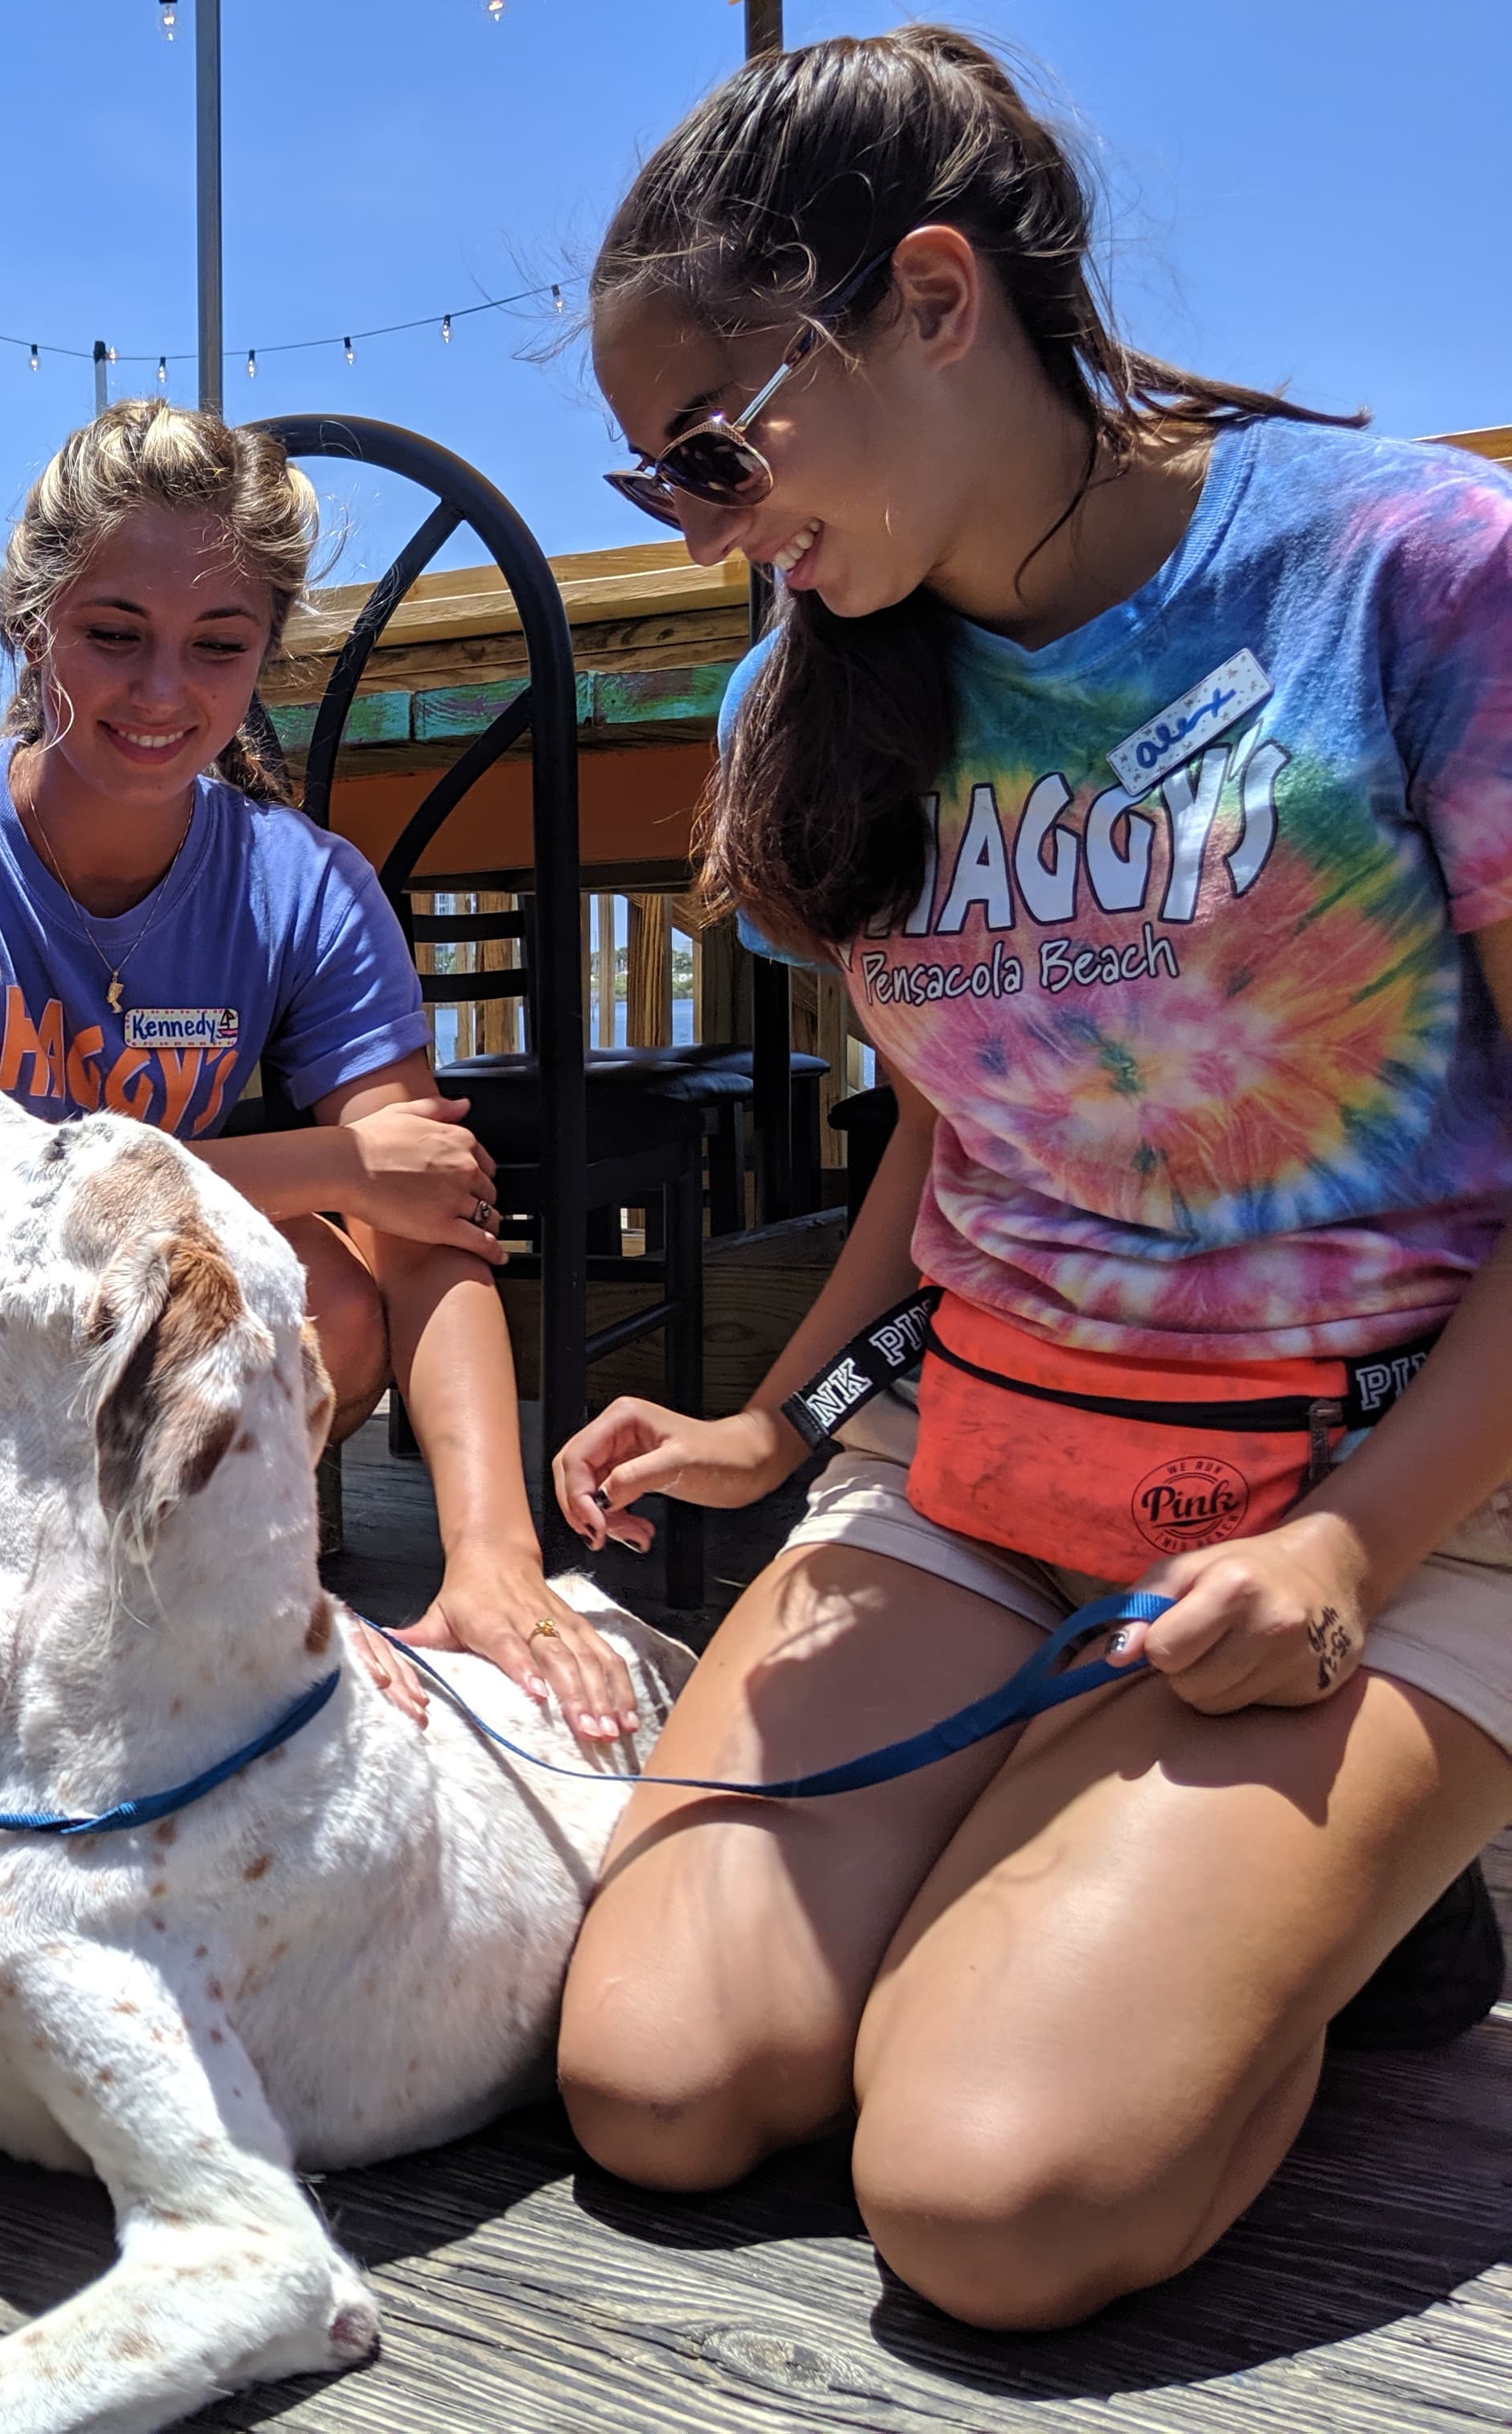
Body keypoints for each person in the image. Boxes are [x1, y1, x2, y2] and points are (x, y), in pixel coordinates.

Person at [549, 26, 1512, 2330]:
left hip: (1379, 1485)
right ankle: (1203, 1908)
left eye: (713, 448)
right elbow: (967, 1125)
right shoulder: (818, 670)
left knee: (988, 2199)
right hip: (985, 1461)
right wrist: (782, 1416)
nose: (700, 527)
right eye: (653, 475)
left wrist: (1353, 1553)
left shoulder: (1410, 567)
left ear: (940, 300)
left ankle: (1316, 1911)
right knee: (664, 2088)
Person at [0, 398, 640, 1745]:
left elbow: (432, 1226)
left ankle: (132, 1601)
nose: (161, 689)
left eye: (217, 645)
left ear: (263, 659)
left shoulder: (301, 884)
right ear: (30, 623)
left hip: (134, 1396)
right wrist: (330, 1162)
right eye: (112, 634)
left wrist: (490, 1551)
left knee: (336, 1293)